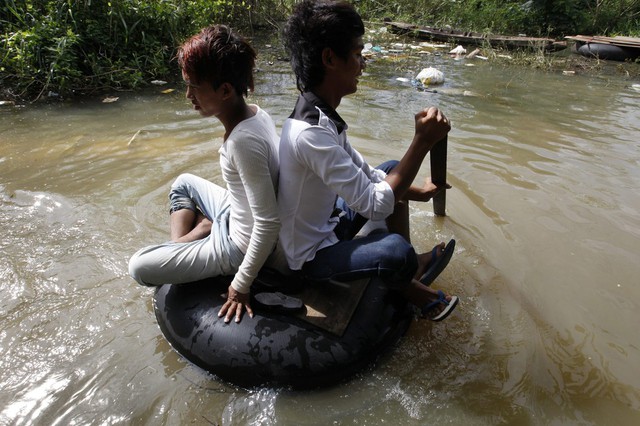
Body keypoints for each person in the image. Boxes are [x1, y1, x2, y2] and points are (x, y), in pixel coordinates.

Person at [278, 0, 459, 320]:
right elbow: (376, 206)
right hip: (309, 259)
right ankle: (411, 279)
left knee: (389, 170)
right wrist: (422, 141)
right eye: (358, 53)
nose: (363, 63)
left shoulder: (320, 115)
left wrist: (421, 192)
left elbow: (373, 177)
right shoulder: (310, 133)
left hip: (330, 225)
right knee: (395, 253)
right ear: (329, 58)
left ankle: (413, 266)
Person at [129, 25, 284, 324]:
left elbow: (268, 223)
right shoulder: (255, 112)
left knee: (138, 266)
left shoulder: (243, 143)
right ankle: (196, 235)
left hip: (237, 245)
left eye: (195, 86)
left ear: (225, 90)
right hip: (233, 212)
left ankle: (196, 238)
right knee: (183, 182)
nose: (188, 95)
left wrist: (241, 285)